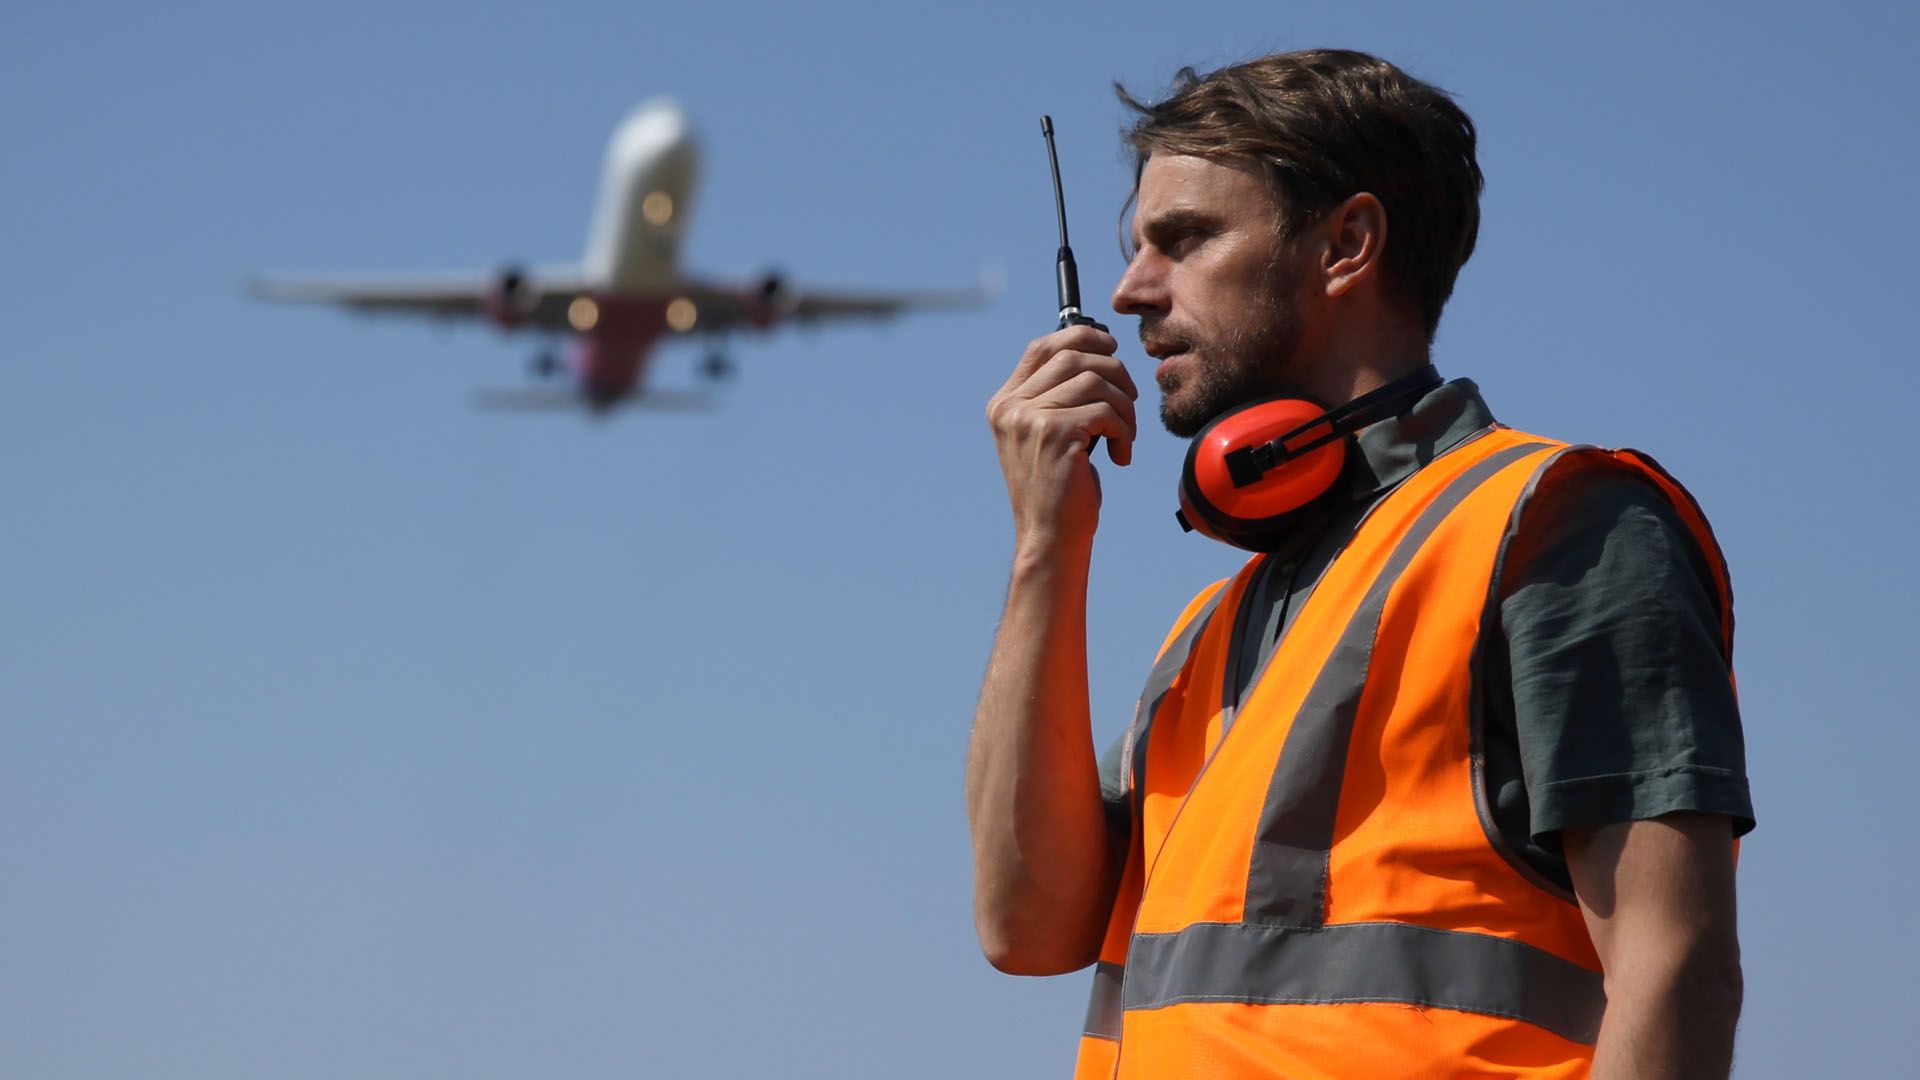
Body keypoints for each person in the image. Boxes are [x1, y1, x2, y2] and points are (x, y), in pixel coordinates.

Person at [968, 49, 1752, 1079]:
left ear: (1347, 243)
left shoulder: (1562, 523)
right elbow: (1026, 928)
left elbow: (1676, 966)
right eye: (1133, 249)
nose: (1128, 292)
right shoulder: (1208, 633)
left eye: (1185, 239)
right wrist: (1045, 550)